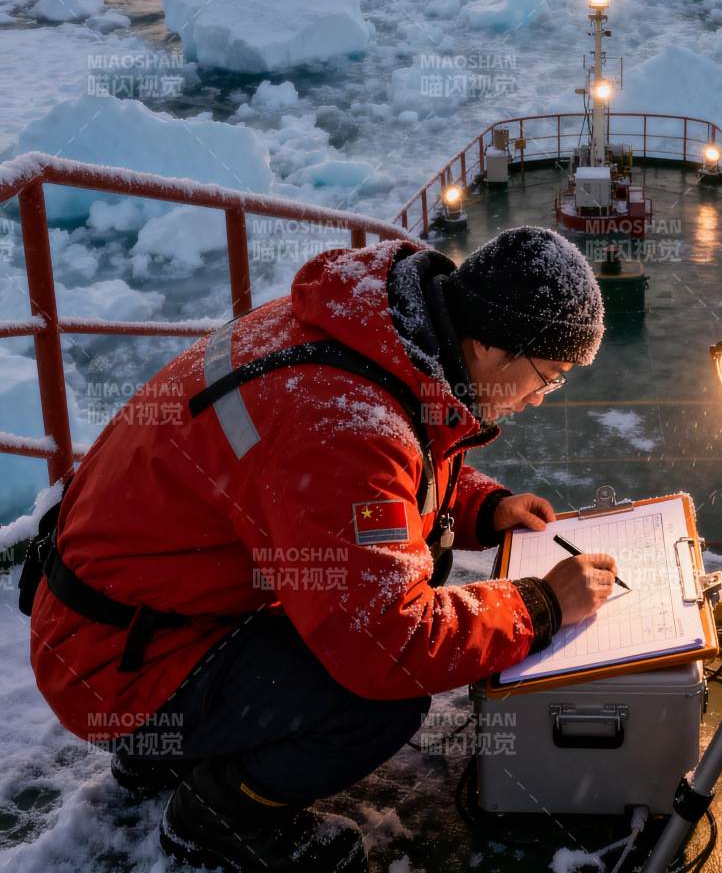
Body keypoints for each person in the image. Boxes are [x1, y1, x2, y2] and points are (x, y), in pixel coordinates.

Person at [23, 225, 613, 872]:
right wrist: (539, 606)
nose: (538, 399)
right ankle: (220, 819)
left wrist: (483, 507)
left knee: (381, 595)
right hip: (117, 667)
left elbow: (397, 453)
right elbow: (387, 644)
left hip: (118, 618)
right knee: (378, 699)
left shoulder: (372, 333)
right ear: (490, 345)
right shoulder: (340, 422)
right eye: (547, 377)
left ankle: (166, 749)